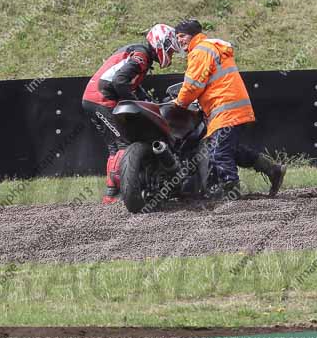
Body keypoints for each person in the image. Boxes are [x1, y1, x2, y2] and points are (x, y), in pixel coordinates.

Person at [173, 19, 286, 197]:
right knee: (232, 150)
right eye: (177, 37)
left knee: (219, 152)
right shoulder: (211, 47)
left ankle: (232, 195)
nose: (179, 40)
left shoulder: (199, 51)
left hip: (225, 109)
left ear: (193, 35)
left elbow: (193, 86)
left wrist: (178, 105)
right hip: (232, 108)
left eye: (182, 36)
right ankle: (273, 170)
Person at [82, 24, 180, 204]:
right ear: (161, 43)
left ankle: (110, 195)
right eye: (171, 50)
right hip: (102, 99)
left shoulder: (140, 53)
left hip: (93, 98)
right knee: (123, 145)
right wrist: (135, 101)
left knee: (115, 146)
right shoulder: (141, 55)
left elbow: (131, 85)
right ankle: (119, 194)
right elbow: (120, 82)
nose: (171, 55)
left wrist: (146, 101)